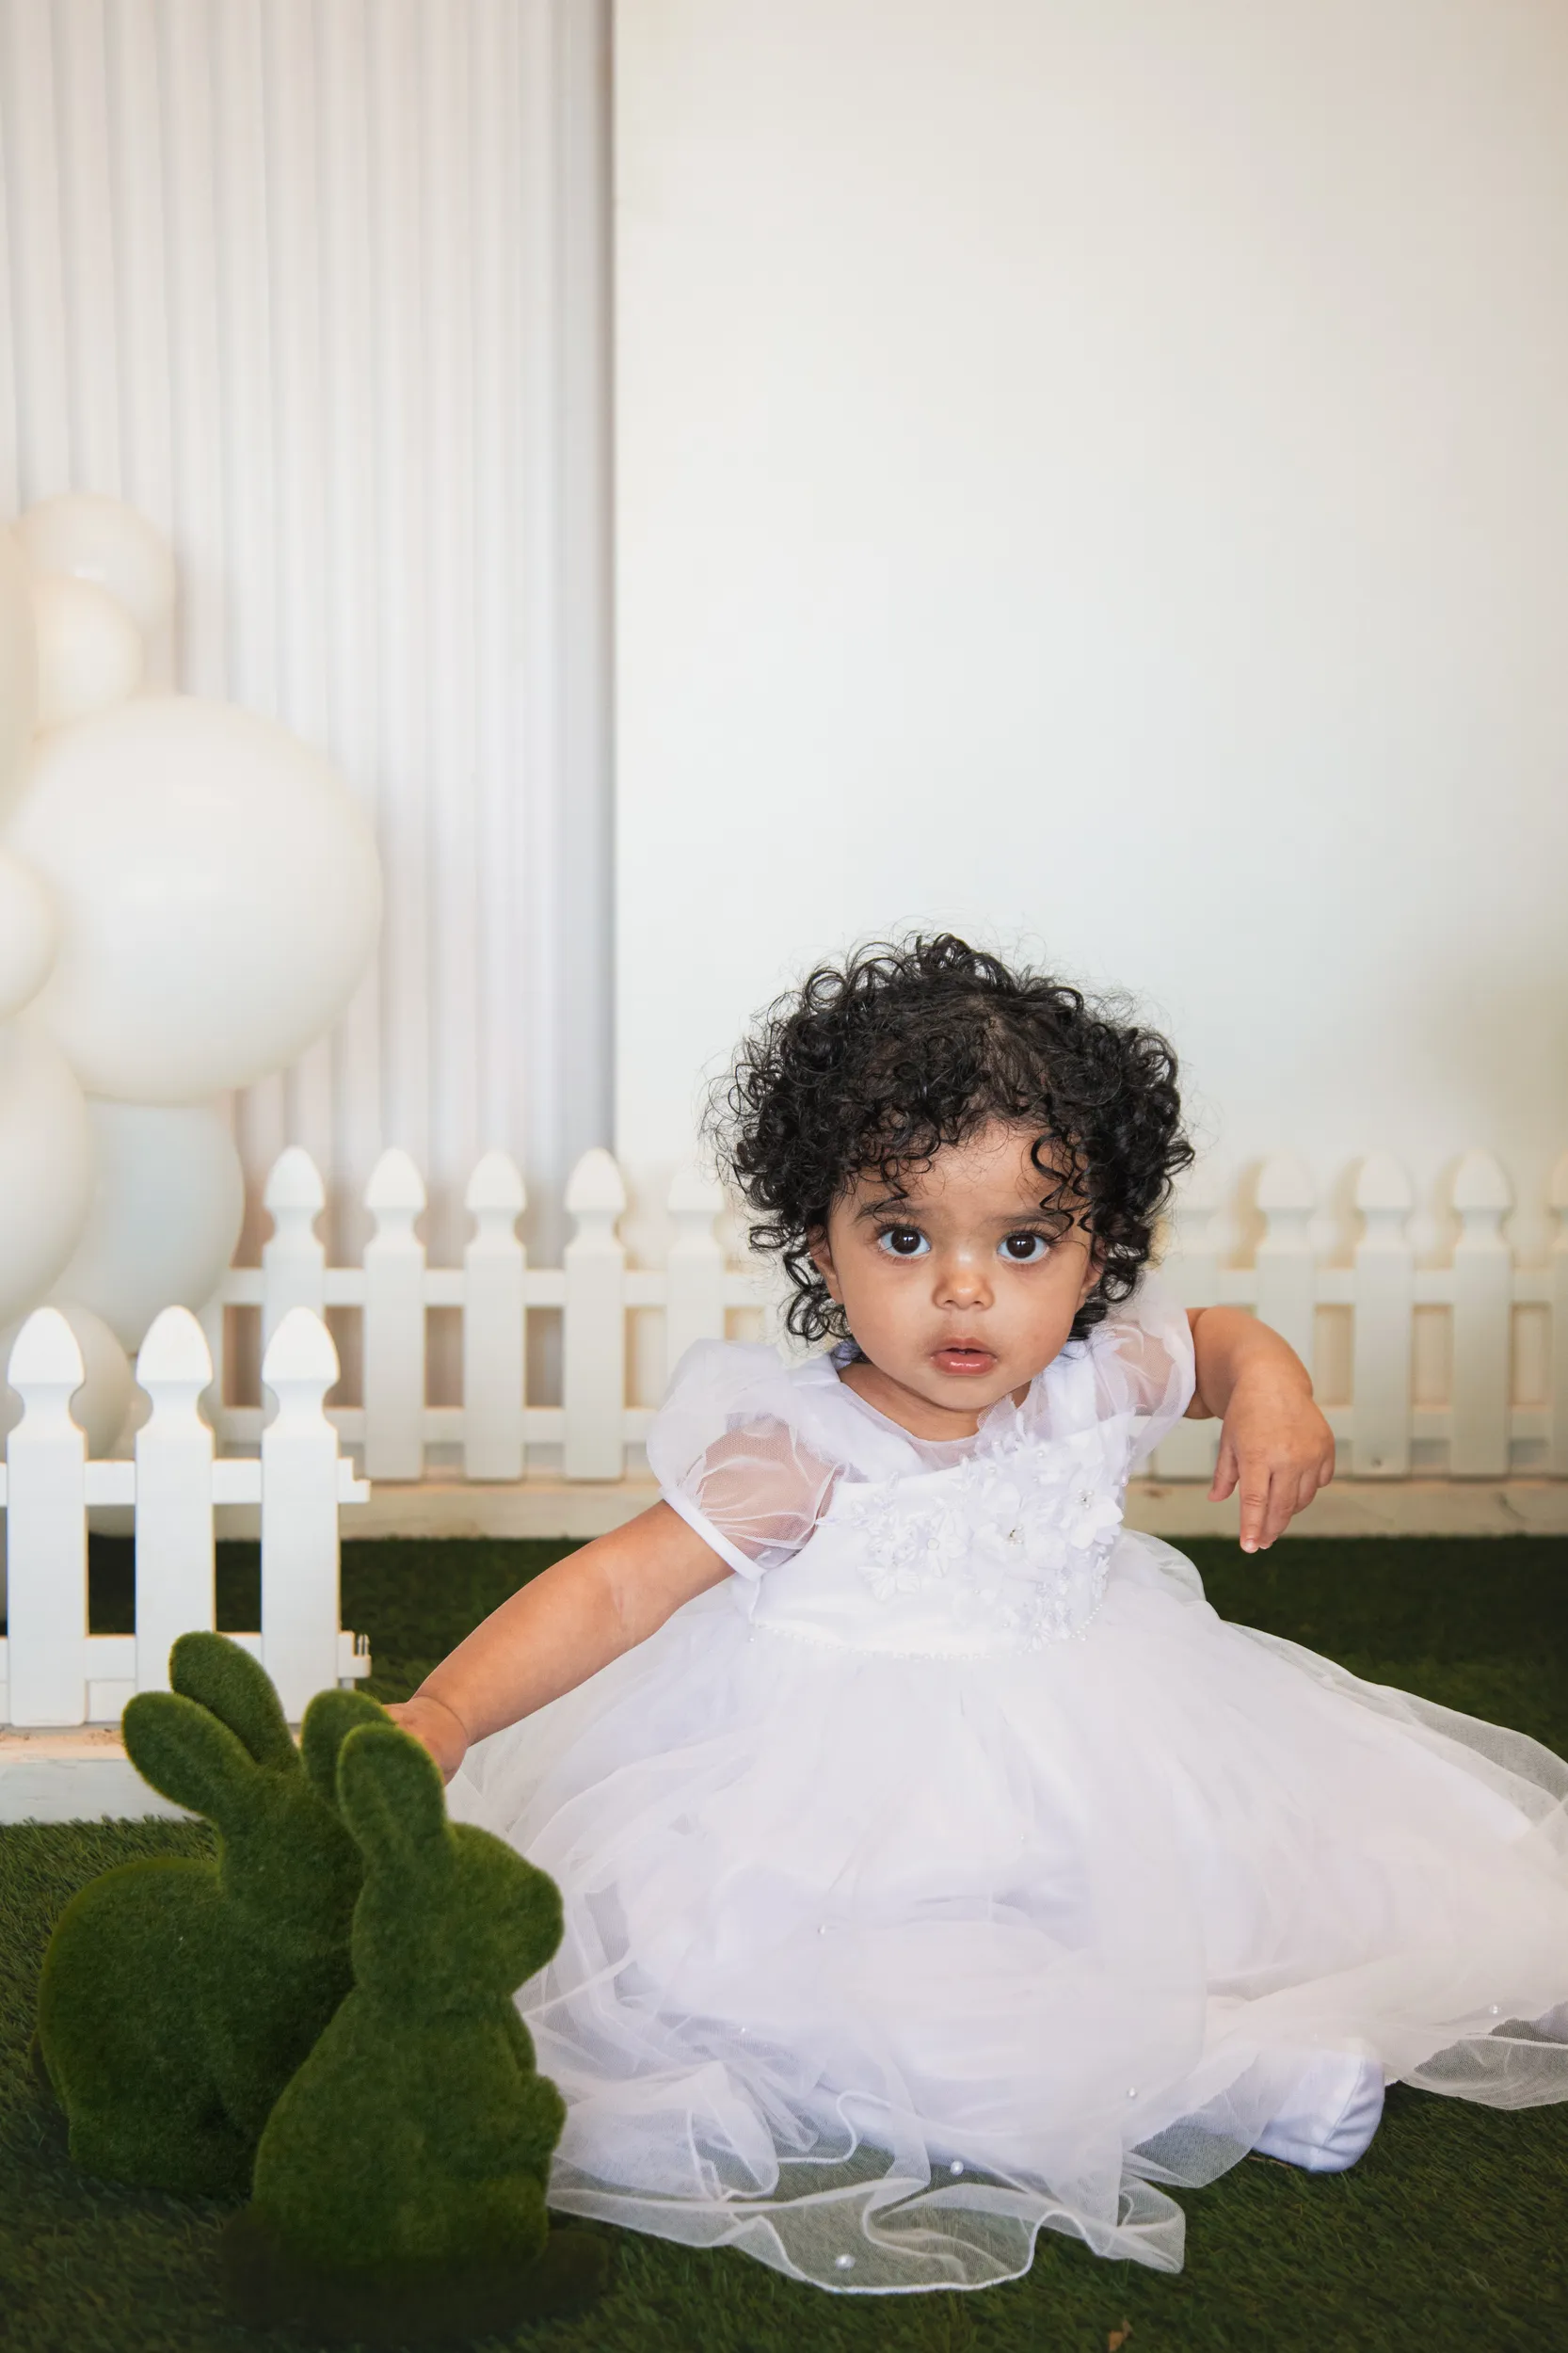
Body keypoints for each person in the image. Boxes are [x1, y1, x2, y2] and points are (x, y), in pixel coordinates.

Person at [390, 936, 1568, 2295]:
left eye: (1022, 1243)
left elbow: (1226, 1340)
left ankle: (1221, 2005)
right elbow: (614, 1583)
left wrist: (1270, 1392)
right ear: (819, 1246)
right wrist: (450, 1708)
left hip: (1101, 1744)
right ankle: (1221, 2073)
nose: (963, 1291)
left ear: (1097, 1249)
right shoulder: (803, 1451)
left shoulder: (1095, 1377)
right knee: (844, 2006)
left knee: (1321, 1880)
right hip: (840, 1801)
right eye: (902, 1237)